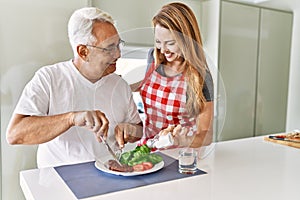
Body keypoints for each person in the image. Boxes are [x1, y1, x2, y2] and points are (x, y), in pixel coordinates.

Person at [6, 7, 143, 168]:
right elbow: (15, 134)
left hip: (110, 177)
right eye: (109, 48)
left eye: (118, 45)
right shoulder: (49, 78)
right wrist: (71, 119)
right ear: (83, 51)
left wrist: (131, 131)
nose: (118, 54)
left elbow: (138, 130)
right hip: (59, 183)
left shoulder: (120, 85)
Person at [132, 2, 214, 149]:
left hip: (180, 156)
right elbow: (148, 84)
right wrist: (121, 86)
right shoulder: (153, 57)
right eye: (158, 42)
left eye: (170, 43)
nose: (163, 50)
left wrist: (182, 141)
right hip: (148, 151)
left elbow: (206, 135)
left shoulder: (200, 76)